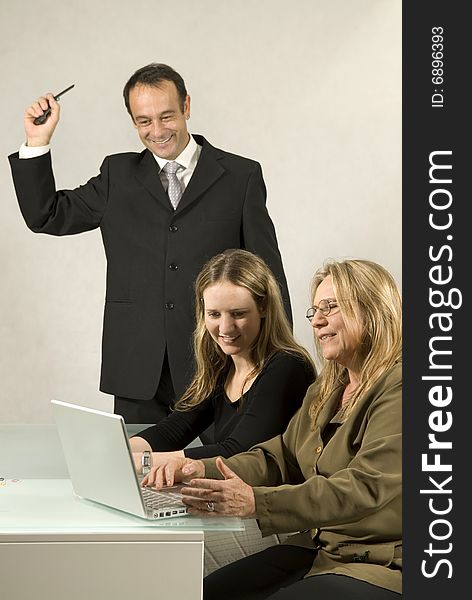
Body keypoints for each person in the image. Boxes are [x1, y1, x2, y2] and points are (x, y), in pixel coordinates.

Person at [8, 63, 291, 424]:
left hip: (221, 362)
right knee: (141, 475)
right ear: (133, 121)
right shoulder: (117, 176)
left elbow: (267, 275)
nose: (157, 131)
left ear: (186, 106)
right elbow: (46, 215)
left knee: (215, 475)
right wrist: (37, 141)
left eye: (167, 116)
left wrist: (277, 363)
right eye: (144, 121)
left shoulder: (240, 176)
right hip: (138, 372)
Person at [153, 259, 402, 599]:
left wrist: (255, 501)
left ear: (374, 310)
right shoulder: (328, 388)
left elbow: (364, 486)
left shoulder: (405, 387)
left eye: (331, 307)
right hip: (320, 548)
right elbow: (279, 457)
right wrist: (196, 468)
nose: (317, 320)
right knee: (205, 594)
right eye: (315, 310)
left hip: (382, 563)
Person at [131, 249, 315, 575]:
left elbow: (238, 452)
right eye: (213, 314)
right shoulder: (223, 366)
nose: (225, 327)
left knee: (161, 559)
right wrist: (126, 449)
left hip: (276, 519)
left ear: (264, 309)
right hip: (229, 504)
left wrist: (154, 463)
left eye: (238, 313)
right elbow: (174, 428)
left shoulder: (287, 367)